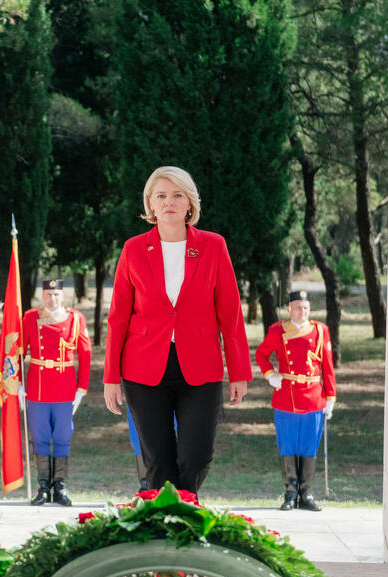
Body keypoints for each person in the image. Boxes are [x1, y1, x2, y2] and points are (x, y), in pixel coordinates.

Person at [103, 166, 252, 495]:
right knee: (157, 459)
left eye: (177, 195)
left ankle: (184, 508)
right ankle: (166, 526)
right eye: (161, 196)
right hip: (143, 369)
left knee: (196, 457)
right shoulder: (133, 249)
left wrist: (239, 371)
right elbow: (118, 318)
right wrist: (111, 376)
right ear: (150, 205)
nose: (168, 201)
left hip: (200, 368)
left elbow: (230, 314)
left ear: (190, 203)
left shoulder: (213, 246)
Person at [254, 291, 336, 512]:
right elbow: (261, 355)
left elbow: (327, 366)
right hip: (286, 396)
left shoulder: (320, 331)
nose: (303, 311)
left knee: (309, 446)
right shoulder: (277, 331)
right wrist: (271, 375)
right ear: (289, 309)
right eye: (298, 307)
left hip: (313, 396)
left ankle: (306, 493)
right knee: (288, 446)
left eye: (306, 307)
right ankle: (290, 492)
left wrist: (330, 397)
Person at [20, 279, 91, 506]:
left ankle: (60, 486)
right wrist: (18, 384)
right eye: (49, 294)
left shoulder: (75, 318)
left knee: (62, 437)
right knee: (39, 437)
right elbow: (18, 350)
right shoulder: (30, 317)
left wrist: (82, 389)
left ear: (64, 295)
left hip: (65, 387)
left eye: (57, 294)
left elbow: (86, 353)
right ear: (42, 295)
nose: (53, 299)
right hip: (38, 388)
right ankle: (42, 487)